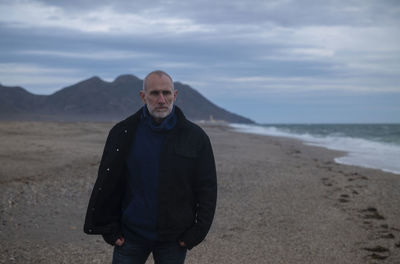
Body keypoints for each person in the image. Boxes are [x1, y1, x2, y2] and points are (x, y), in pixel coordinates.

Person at [84, 70, 217, 264]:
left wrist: (197, 233)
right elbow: (108, 182)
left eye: (167, 93)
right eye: (155, 93)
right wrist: (109, 230)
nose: (161, 99)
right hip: (130, 235)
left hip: (174, 238)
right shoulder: (123, 133)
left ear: (175, 95)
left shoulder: (195, 138)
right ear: (143, 96)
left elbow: (207, 188)